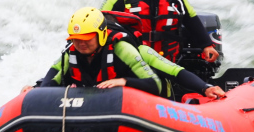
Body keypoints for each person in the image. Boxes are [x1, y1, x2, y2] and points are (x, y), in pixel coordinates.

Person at [24, 7, 161, 95]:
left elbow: (155, 85)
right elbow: (48, 85)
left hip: (124, 110)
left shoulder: (122, 49)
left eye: (87, 38)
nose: (81, 43)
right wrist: (35, 91)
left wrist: (124, 81)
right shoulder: (69, 54)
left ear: (100, 34)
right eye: (76, 39)